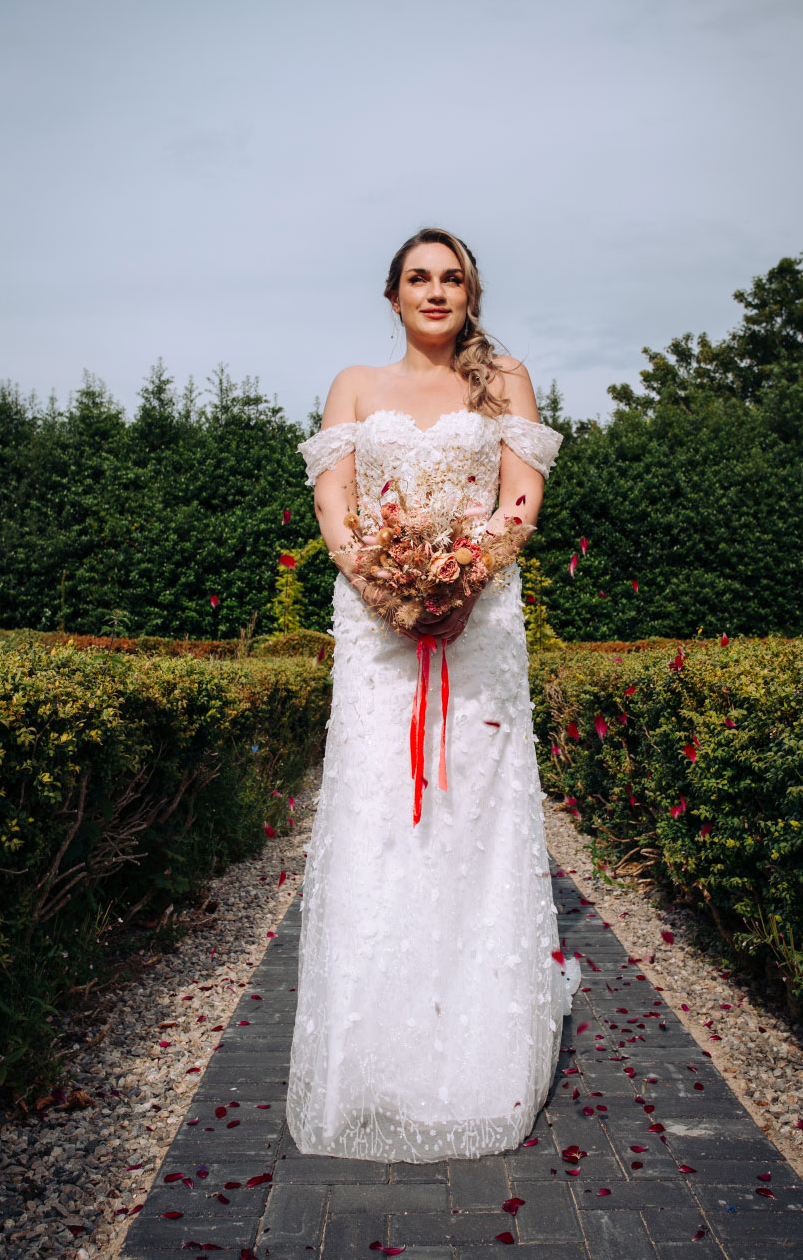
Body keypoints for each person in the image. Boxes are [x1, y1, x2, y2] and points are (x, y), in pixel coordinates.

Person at [285, 227, 580, 1162]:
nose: (435, 291)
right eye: (419, 277)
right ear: (392, 294)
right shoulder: (353, 387)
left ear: (470, 291)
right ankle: (373, 1063)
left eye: (451, 277)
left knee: (469, 825)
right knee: (379, 820)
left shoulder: (506, 382)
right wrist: (389, 592)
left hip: (479, 628)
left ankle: (476, 1060)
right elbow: (335, 509)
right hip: (375, 640)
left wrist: (455, 588)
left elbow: (518, 506)